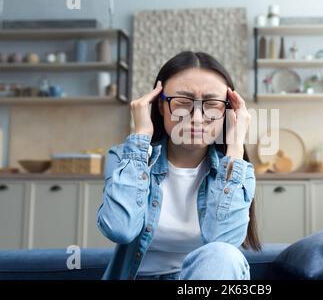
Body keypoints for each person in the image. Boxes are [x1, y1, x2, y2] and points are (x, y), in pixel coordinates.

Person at [97, 51, 261, 280]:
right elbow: (119, 228)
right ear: (161, 105)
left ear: (228, 111)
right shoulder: (125, 157)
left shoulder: (237, 170)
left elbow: (224, 241)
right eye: (182, 103)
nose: (196, 117)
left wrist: (235, 145)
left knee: (224, 255)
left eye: (212, 104)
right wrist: (142, 134)